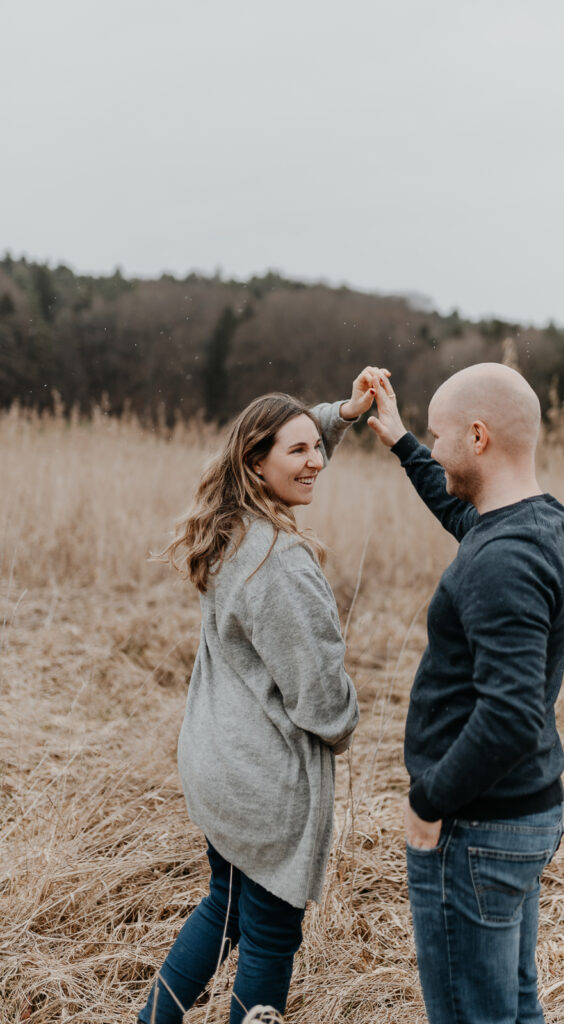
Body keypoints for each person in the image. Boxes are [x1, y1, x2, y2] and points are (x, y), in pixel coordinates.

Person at [138, 368, 384, 1024]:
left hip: (221, 762)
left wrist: (343, 413)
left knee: (224, 907)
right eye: (298, 451)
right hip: (263, 783)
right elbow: (321, 702)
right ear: (255, 463)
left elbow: (291, 439)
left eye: (317, 447)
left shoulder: (231, 525)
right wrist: (347, 721)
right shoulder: (279, 563)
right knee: (271, 935)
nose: (315, 461)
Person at [367, 363, 564, 1024]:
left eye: (438, 436)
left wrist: (428, 801)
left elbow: (510, 716)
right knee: (513, 1006)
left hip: (477, 825)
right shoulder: (540, 521)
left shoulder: (502, 560)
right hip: (518, 814)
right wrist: (401, 441)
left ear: (479, 437)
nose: (433, 449)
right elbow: (464, 511)